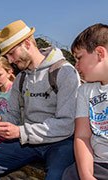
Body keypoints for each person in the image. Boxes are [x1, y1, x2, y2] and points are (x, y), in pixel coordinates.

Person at [0, 20, 81, 180]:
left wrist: (21, 132)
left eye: (11, 53)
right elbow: (13, 115)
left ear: (27, 44)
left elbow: (66, 124)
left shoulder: (65, 72)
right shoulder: (21, 78)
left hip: (61, 142)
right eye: (7, 56)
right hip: (27, 142)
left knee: (57, 176)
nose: (11, 60)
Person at [62, 23, 108, 180]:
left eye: (79, 58)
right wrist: (86, 175)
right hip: (99, 164)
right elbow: (82, 136)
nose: (76, 65)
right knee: (69, 174)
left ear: (100, 53)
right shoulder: (85, 91)